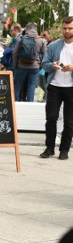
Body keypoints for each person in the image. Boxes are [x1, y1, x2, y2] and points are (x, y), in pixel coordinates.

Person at [39, 16, 73, 160]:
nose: (67, 31)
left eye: (70, 28)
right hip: (54, 86)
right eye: (65, 28)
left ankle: (64, 150)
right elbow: (44, 64)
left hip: (71, 87)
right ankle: (49, 148)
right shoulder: (54, 45)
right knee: (51, 118)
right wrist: (52, 65)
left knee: (69, 121)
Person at [12, 22, 46, 102]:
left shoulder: (21, 39)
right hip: (35, 67)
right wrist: (40, 64)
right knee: (31, 86)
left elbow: (14, 53)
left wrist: (15, 64)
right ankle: (29, 104)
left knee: (17, 86)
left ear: (27, 29)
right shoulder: (41, 40)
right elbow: (44, 54)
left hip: (21, 66)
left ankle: (15, 104)